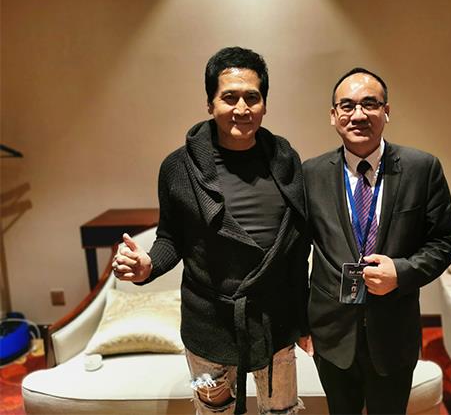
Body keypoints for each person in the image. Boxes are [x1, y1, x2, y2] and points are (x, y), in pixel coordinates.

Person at [112, 47, 309, 415]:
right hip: (207, 327)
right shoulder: (178, 167)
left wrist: (303, 318)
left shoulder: (286, 159)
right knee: (211, 410)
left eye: (252, 97)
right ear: (210, 103)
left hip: (275, 322)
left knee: (283, 412)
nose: (242, 108)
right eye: (229, 97)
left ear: (264, 104)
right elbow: (171, 237)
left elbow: (298, 248)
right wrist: (147, 267)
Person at [302, 68, 451, 414]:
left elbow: (445, 240)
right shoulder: (310, 174)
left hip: (394, 333)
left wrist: (401, 272)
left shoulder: (422, 169)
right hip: (332, 333)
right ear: (333, 115)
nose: (358, 115)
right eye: (347, 106)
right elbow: (295, 251)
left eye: (370, 104)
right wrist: (301, 324)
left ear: (386, 111)